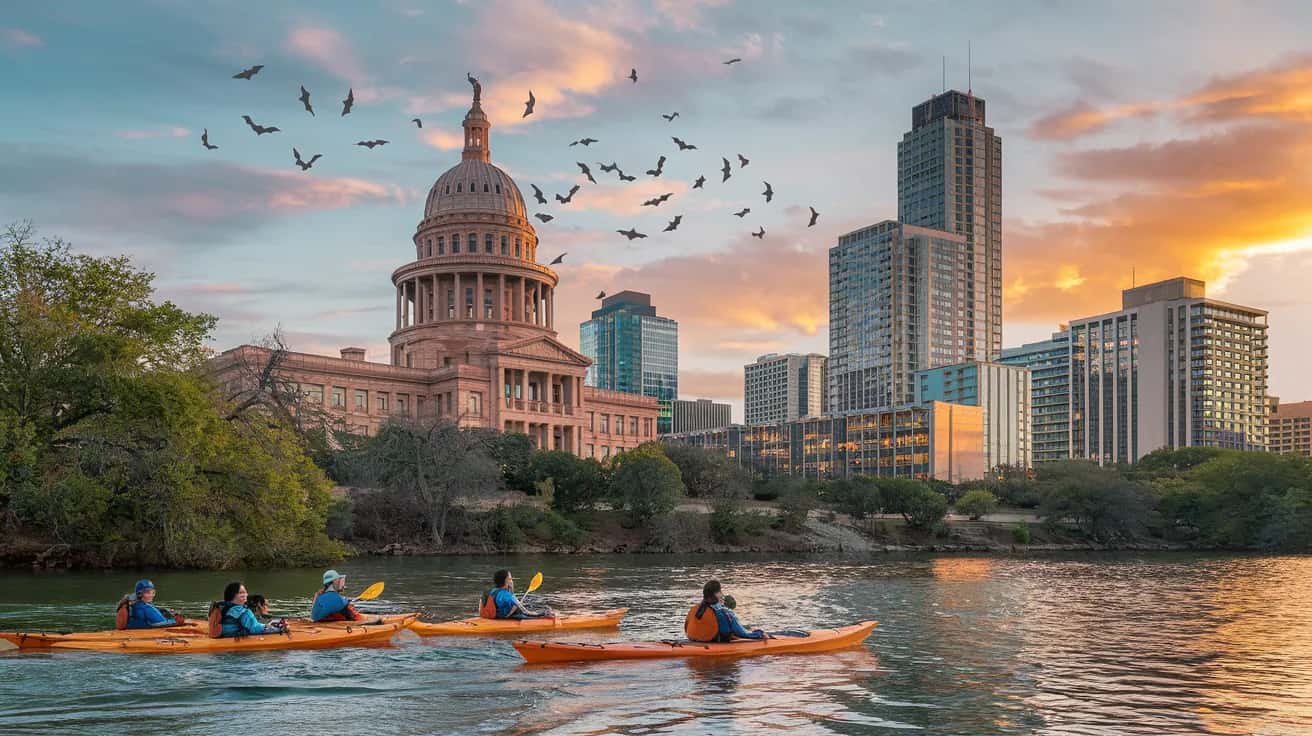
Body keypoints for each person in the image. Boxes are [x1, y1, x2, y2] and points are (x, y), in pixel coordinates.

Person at [684, 580, 765, 643]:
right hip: (716, 643)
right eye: (720, 592)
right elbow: (742, 634)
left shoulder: (695, 609)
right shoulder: (723, 612)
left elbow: (686, 627)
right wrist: (760, 634)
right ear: (716, 594)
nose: (722, 594)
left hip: (694, 641)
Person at [212, 582, 284, 638]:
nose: (245, 595)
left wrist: (266, 625)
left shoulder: (223, 606)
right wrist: (279, 629)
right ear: (232, 595)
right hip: (233, 637)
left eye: (245, 592)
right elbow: (255, 629)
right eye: (241, 593)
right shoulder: (243, 611)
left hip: (224, 634)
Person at [479, 569, 552, 619]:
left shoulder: (493, 591)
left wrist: (512, 591)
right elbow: (526, 612)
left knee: (522, 606)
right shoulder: (507, 596)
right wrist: (542, 614)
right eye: (510, 579)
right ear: (506, 581)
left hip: (490, 616)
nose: (512, 581)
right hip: (502, 617)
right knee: (545, 611)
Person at [116, 579, 185, 630]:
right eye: (147, 593)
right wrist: (177, 621)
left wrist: (163, 611)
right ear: (140, 594)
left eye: (153, 592)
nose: (151, 595)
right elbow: (159, 623)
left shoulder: (136, 604)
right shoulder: (145, 608)